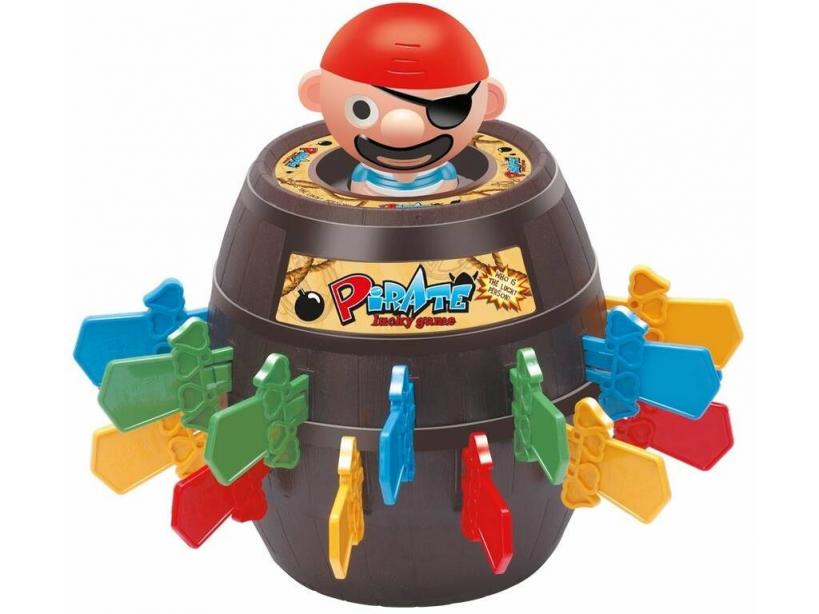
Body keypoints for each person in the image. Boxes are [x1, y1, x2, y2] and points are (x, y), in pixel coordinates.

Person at [298, 3, 506, 197]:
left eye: (446, 110)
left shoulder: (445, 173)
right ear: (316, 94)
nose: (401, 130)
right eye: (362, 110)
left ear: (489, 103)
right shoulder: (363, 174)